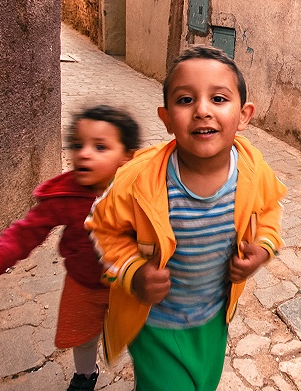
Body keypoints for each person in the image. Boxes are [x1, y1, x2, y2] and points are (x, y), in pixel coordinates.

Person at [86, 45, 286, 391]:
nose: (202, 111)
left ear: (244, 115)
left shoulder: (254, 172)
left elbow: (268, 210)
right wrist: (133, 274)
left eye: (219, 99)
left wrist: (264, 248)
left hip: (213, 317)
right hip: (155, 324)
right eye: (185, 100)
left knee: (203, 384)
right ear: (165, 118)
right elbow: (103, 228)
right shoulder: (139, 180)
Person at [0, 105, 140, 391]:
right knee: (81, 336)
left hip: (130, 284)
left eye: (100, 146)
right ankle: (85, 377)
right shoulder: (64, 195)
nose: (83, 153)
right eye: (77, 144)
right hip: (82, 284)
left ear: (128, 157)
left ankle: (148, 378)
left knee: (142, 337)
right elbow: (22, 235)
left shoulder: (141, 192)